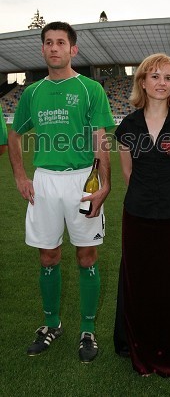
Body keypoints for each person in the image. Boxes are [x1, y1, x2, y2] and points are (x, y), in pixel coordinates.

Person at [8, 21, 114, 363]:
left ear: (73, 49)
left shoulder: (90, 89)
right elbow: (15, 135)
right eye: (49, 43)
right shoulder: (32, 93)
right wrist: (21, 175)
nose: (54, 48)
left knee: (87, 256)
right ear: (42, 50)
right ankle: (51, 324)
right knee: (48, 256)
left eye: (61, 43)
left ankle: (87, 330)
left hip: (83, 179)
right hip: (45, 181)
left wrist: (103, 184)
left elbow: (101, 139)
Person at [114, 53, 170, 377]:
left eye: (168, 77)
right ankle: (141, 348)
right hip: (137, 215)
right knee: (141, 282)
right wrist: (148, 200)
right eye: (155, 76)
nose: (162, 83)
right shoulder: (129, 125)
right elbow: (128, 173)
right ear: (142, 81)